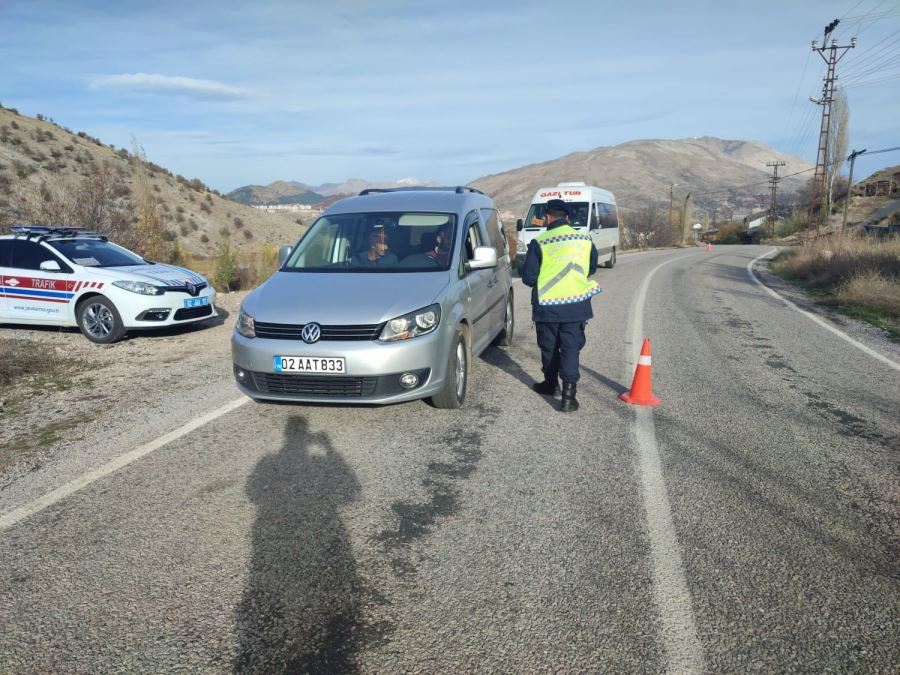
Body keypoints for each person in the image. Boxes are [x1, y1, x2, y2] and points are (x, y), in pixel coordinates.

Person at [520, 199, 600, 412]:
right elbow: (591, 267)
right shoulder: (585, 239)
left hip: (548, 305)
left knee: (549, 346)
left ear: (547, 217)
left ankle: (550, 384)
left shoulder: (540, 241)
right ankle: (568, 397)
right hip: (576, 304)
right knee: (571, 348)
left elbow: (528, 277)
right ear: (568, 217)